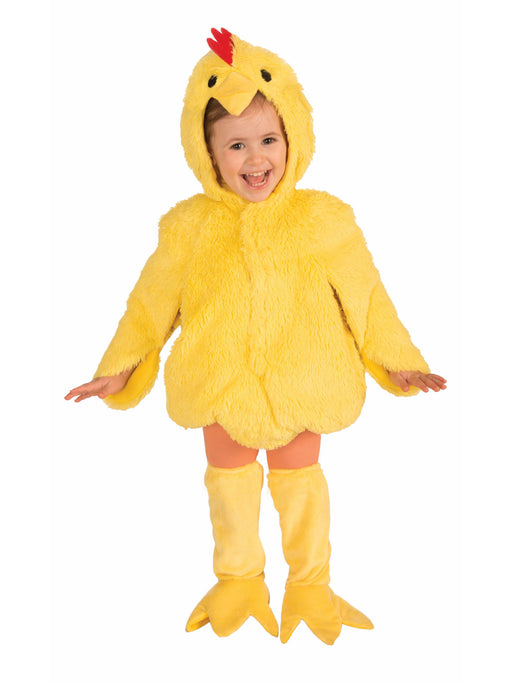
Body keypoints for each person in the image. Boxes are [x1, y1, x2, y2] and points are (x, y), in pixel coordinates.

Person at [65, 28, 447, 645]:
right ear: (207, 154)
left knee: (301, 485)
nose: (255, 159)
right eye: (236, 145)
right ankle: (238, 582)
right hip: (220, 382)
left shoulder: (323, 218)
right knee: (229, 487)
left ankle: (311, 586)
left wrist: (397, 360)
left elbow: (367, 298)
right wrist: (120, 367)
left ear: (293, 136)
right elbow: (150, 304)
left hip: (303, 380)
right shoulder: (189, 226)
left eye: (268, 140)